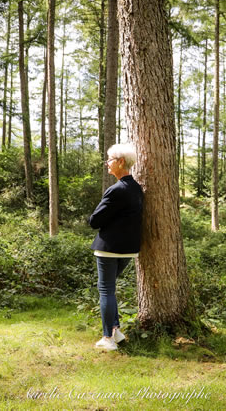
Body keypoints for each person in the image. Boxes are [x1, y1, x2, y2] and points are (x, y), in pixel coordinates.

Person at [88, 143, 143, 351]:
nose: (107, 164)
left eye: (110, 160)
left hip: (108, 247)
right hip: (128, 249)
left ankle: (107, 338)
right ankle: (116, 331)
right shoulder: (137, 188)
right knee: (109, 289)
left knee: (106, 290)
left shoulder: (115, 190)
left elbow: (95, 221)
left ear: (121, 162)